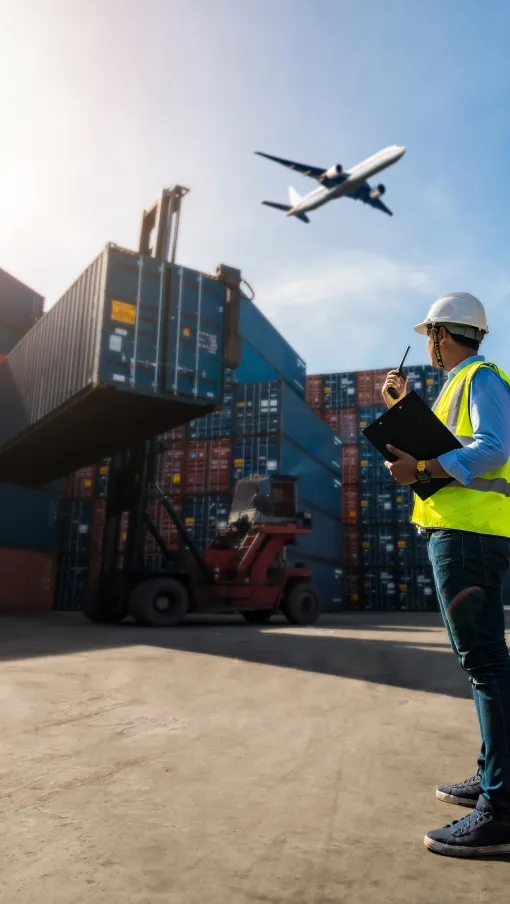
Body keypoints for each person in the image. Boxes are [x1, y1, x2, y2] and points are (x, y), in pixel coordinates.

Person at [382, 292, 510, 858]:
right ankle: (493, 779)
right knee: (483, 662)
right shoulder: (461, 382)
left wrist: (424, 468)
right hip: (463, 534)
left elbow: (494, 448)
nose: (429, 346)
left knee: (485, 664)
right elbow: (460, 441)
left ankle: (502, 811)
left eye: (429, 336)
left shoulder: (480, 376)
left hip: (469, 536)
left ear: (439, 334)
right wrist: (406, 408)